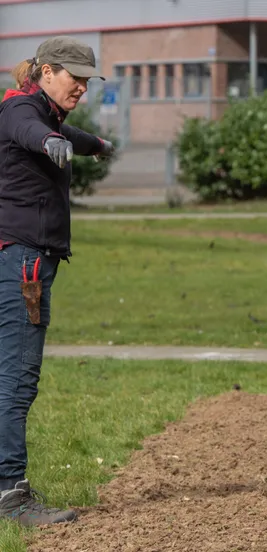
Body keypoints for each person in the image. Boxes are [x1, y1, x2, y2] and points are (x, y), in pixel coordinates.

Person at [0, 36, 115, 527]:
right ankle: (10, 495)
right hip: (23, 261)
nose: (82, 88)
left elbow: (64, 132)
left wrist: (95, 146)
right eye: (75, 78)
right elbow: (29, 130)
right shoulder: (23, 112)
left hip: (18, 255)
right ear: (46, 72)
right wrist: (50, 142)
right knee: (16, 379)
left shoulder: (45, 112)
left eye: (87, 81)